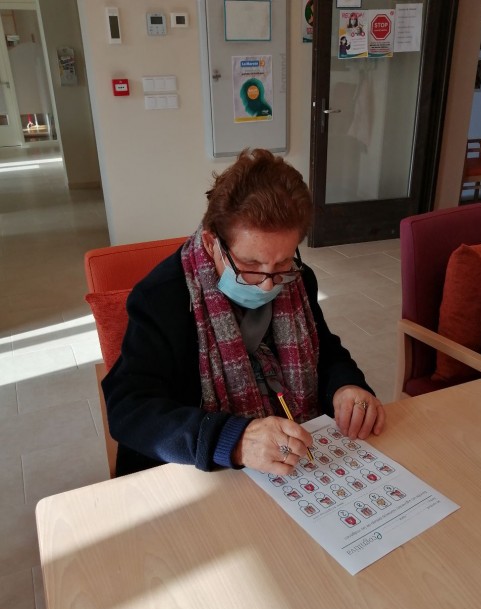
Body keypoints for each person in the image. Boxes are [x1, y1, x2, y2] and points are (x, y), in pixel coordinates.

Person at [103, 149, 385, 478]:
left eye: (282, 262)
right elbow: (129, 409)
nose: (268, 285)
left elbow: (325, 350)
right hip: (202, 474)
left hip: (291, 463)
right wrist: (234, 440)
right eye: (250, 265)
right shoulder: (161, 298)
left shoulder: (297, 280)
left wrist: (346, 386)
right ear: (212, 242)